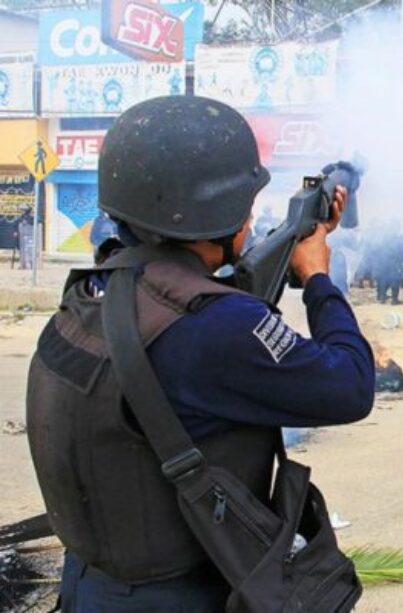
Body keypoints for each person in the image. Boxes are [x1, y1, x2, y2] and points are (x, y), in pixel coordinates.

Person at [26, 96, 373, 611]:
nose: (253, 219)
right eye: (248, 207)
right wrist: (317, 274)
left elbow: (204, 310)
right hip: (183, 595)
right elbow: (351, 385)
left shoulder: (95, 290)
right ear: (219, 211)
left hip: (92, 585)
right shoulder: (214, 328)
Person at [377, 226, 403, 305]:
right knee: (395, 280)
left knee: (385, 280)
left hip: (385, 262)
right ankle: (394, 300)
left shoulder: (385, 238)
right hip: (395, 263)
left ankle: (383, 297)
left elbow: (379, 250)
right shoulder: (400, 239)